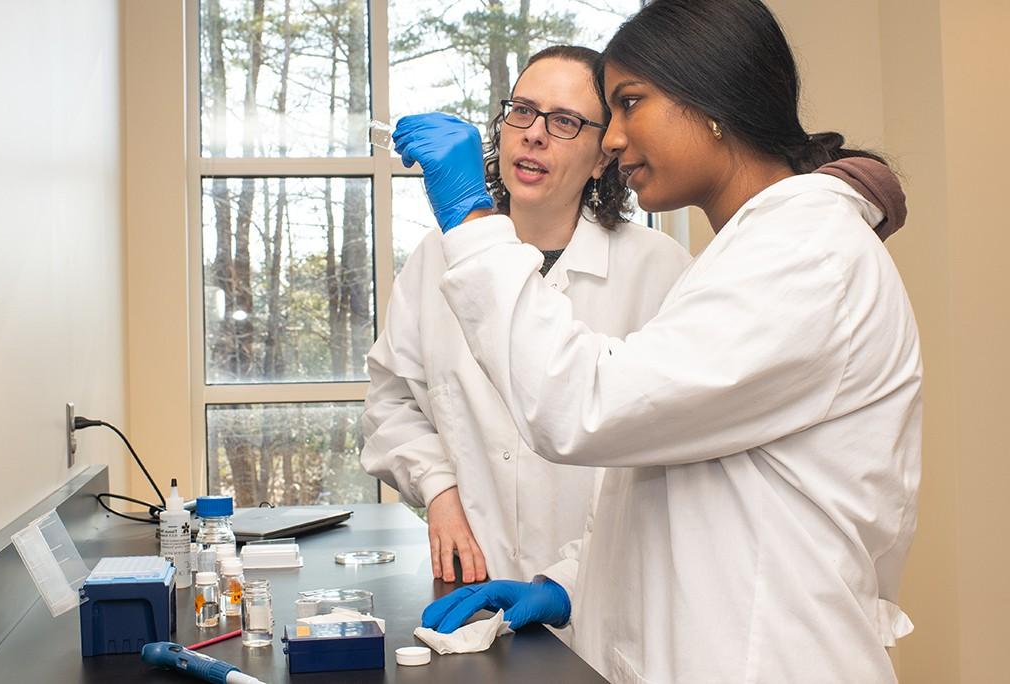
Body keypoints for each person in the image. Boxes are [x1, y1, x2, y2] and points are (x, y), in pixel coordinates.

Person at [392, 1, 922, 682]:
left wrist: (470, 217)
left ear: (715, 102)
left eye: (629, 103)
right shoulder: (755, 252)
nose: (610, 139)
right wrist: (568, 588)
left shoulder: (805, 253)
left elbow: (585, 406)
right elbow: (678, 486)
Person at [362, 46, 692, 585]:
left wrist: (568, 580)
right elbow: (392, 401)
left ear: (604, 155)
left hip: (608, 593)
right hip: (473, 584)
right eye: (522, 111)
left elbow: (670, 467)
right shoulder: (437, 258)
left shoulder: (657, 271)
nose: (534, 134)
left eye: (564, 121)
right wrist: (439, 490)